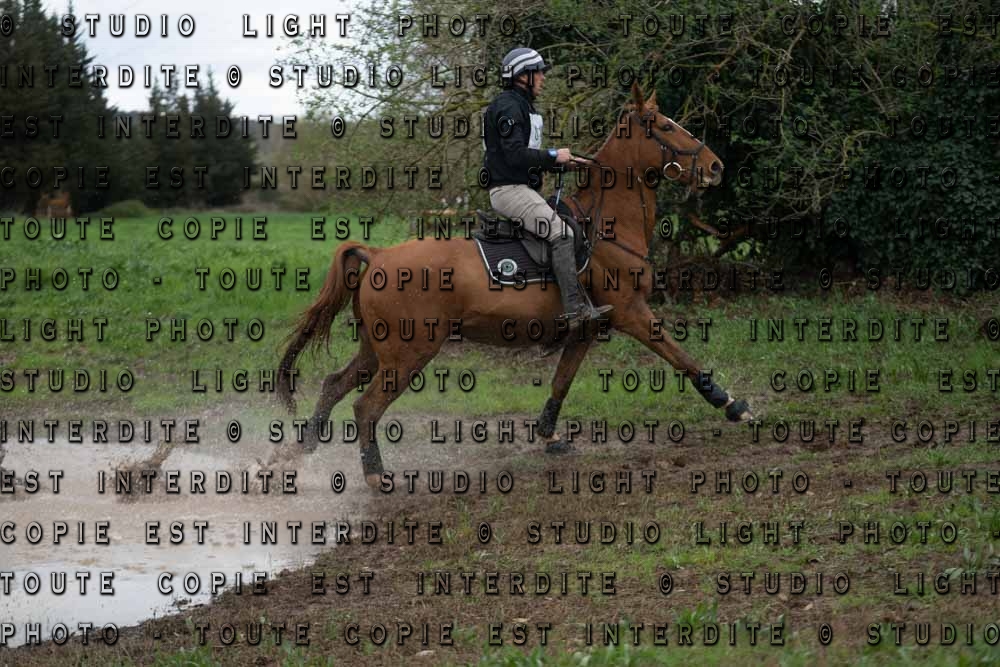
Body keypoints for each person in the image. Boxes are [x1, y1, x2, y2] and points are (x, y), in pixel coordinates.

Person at [482, 47, 613, 328]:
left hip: (521, 188)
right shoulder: (509, 106)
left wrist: (564, 164)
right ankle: (574, 310)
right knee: (562, 233)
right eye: (539, 72)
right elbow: (514, 155)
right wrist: (554, 155)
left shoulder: (523, 106)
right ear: (523, 76)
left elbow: (525, 158)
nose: (543, 77)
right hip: (509, 191)